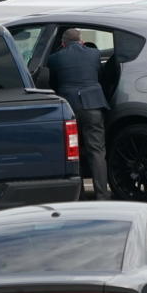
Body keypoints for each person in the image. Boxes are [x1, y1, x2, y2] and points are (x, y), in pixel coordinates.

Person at [48, 28, 110, 200]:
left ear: (63, 43)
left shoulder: (54, 59)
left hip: (69, 109)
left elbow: (52, 83)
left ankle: (78, 195)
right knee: (97, 151)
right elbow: (101, 76)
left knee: (72, 152)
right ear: (81, 41)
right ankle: (102, 195)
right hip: (93, 106)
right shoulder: (95, 54)